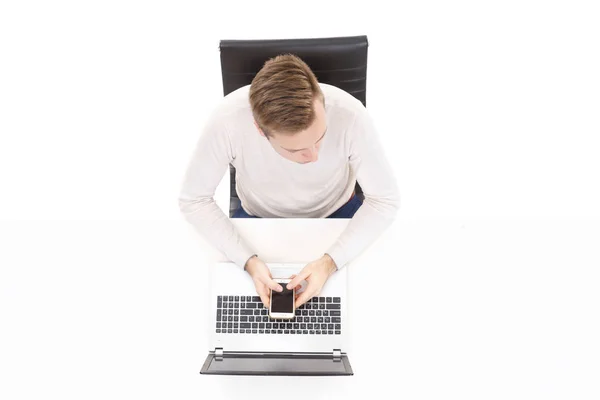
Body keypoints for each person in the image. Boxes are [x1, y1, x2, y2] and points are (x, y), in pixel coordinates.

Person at [179, 54, 400, 309]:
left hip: (338, 212)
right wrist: (248, 261)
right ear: (260, 130)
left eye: (320, 137)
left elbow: (385, 200)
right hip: (259, 219)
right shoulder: (227, 121)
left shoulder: (350, 114)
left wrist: (330, 262)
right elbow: (193, 200)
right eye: (296, 150)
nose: (314, 156)